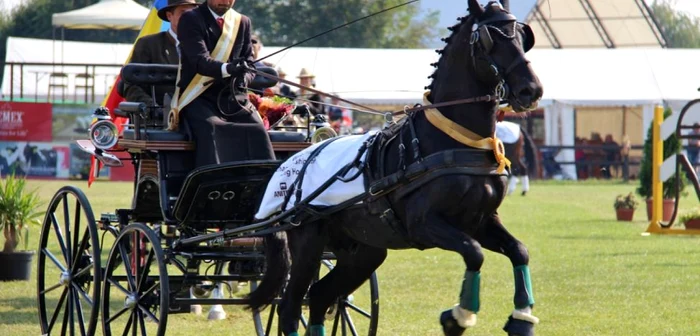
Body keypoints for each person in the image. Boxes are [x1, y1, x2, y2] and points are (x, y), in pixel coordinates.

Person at [170, 0, 275, 168]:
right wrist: (229, 69)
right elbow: (199, 61)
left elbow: (249, 61)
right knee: (211, 128)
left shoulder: (242, 21)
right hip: (199, 97)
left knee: (257, 128)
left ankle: (261, 183)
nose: (225, 1)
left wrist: (244, 78)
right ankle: (213, 183)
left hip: (233, 98)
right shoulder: (191, 18)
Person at [125, 0, 197, 111]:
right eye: (183, 13)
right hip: (159, 118)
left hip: (199, 114)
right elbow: (130, 86)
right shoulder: (149, 44)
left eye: (193, 13)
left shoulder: (206, 45)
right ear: (169, 16)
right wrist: (153, 109)